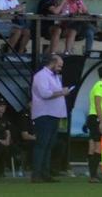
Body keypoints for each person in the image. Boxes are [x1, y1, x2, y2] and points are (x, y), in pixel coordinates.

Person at [30, 54, 72, 183]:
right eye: (59, 65)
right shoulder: (41, 76)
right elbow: (45, 94)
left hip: (54, 114)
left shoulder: (54, 76)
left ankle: (45, 173)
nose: (60, 68)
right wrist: (62, 92)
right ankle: (36, 174)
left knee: (49, 145)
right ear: (53, 63)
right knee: (42, 144)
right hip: (44, 114)